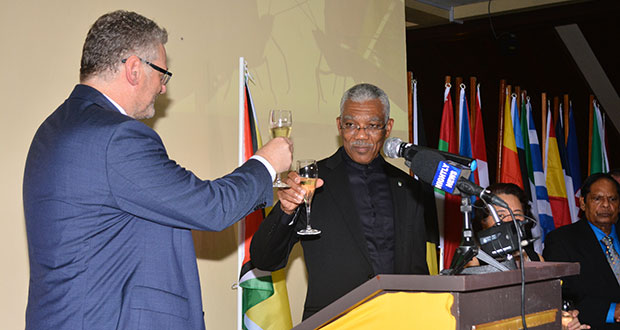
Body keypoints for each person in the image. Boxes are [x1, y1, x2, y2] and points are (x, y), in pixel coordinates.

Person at [22, 10, 292, 330]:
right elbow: (211, 207)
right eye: (163, 74)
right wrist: (265, 163)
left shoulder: (51, 130)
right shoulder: (117, 137)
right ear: (135, 69)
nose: (163, 88)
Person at [250, 83, 436, 319]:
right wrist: (285, 212)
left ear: (387, 128)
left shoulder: (409, 187)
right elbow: (264, 259)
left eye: (372, 126)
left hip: (400, 320)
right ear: (339, 125)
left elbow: (418, 269)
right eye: (351, 125)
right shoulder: (311, 181)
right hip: (335, 321)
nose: (360, 135)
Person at [467, 183, 589, 330]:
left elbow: (544, 308)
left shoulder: (535, 259)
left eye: (516, 214)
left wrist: (562, 320)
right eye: (500, 215)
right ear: (483, 221)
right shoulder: (473, 260)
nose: (510, 221)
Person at [544, 173, 620, 329]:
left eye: (612, 199)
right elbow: (560, 295)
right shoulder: (561, 240)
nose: (606, 205)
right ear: (583, 203)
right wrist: (612, 311)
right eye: (597, 199)